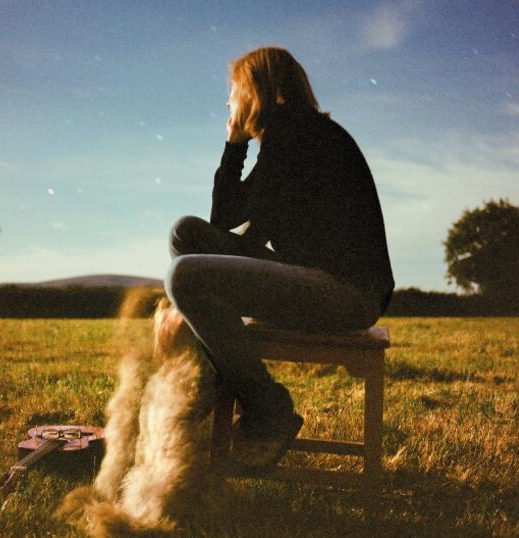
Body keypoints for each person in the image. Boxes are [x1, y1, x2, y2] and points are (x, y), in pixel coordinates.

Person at [165, 46, 394, 472]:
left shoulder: (297, 135)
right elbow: (225, 220)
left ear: (256, 92)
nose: (228, 102)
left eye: (234, 91)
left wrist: (234, 142)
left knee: (185, 275)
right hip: (326, 282)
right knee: (186, 233)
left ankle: (268, 408)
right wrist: (236, 145)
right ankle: (213, 375)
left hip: (344, 294)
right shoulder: (291, 134)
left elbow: (240, 228)